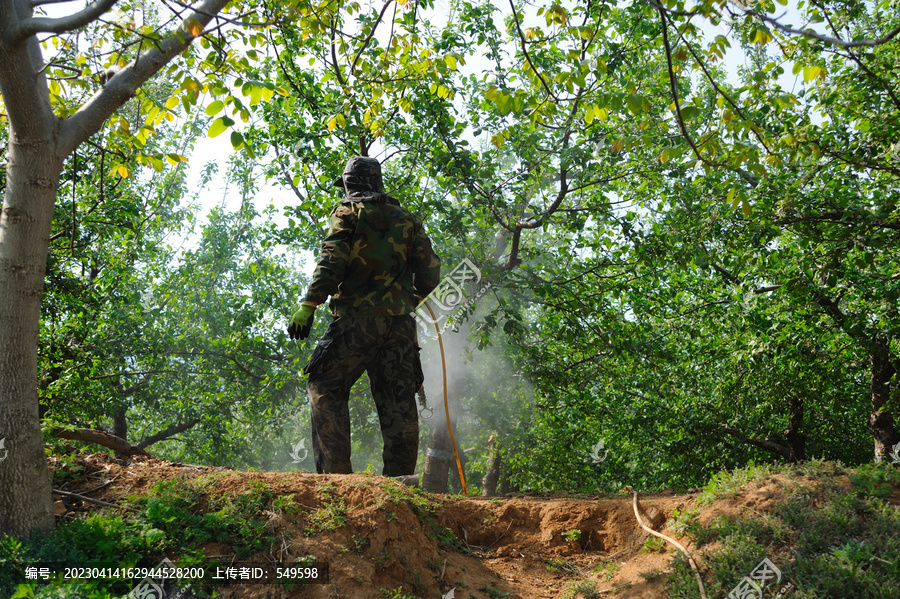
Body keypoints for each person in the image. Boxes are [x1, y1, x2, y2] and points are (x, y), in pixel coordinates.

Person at [288, 156, 441, 476]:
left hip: (355, 323)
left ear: (349, 185)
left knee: (324, 386)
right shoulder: (407, 219)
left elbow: (332, 261)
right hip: (399, 327)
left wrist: (310, 303)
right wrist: (406, 301)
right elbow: (430, 275)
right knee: (398, 404)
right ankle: (401, 485)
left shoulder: (348, 212)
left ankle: (336, 480)